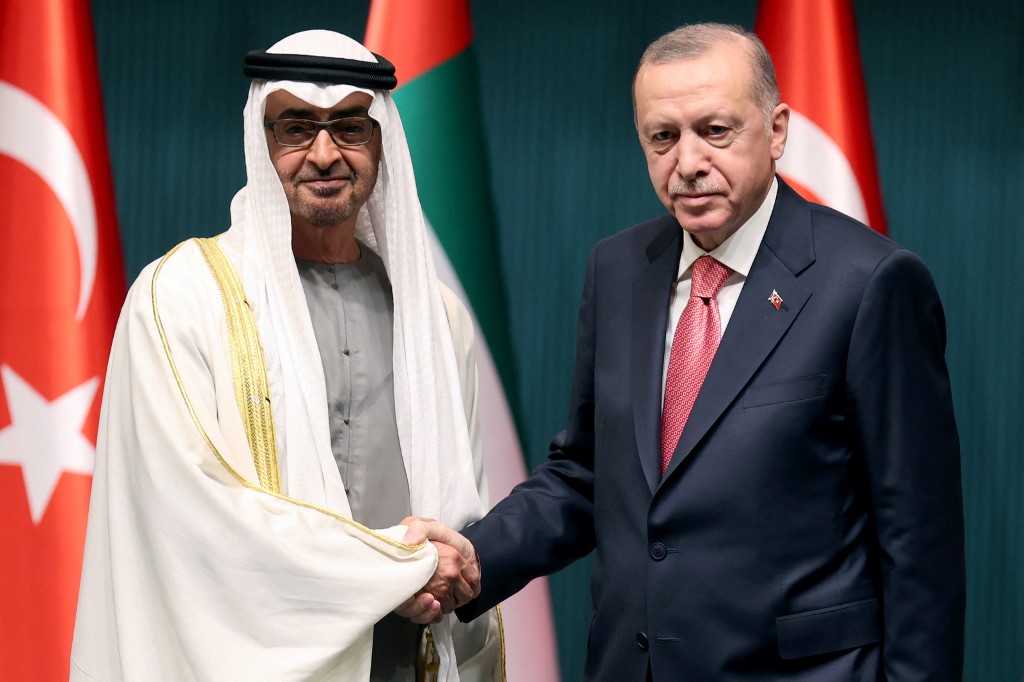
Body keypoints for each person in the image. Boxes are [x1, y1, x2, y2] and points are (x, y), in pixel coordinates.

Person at [424, 22, 966, 680]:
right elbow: (589, 473)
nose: (687, 163)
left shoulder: (870, 283)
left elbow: (920, 544)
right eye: (663, 137)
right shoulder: (618, 269)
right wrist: (477, 558)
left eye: (715, 131)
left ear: (777, 131)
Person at [70, 30, 499, 682]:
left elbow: (466, 518)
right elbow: (193, 523)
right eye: (296, 128)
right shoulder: (182, 297)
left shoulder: (437, 317)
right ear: (262, 139)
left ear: (382, 141)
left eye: (350, 128)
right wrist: (392, 566)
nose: (324, 154)